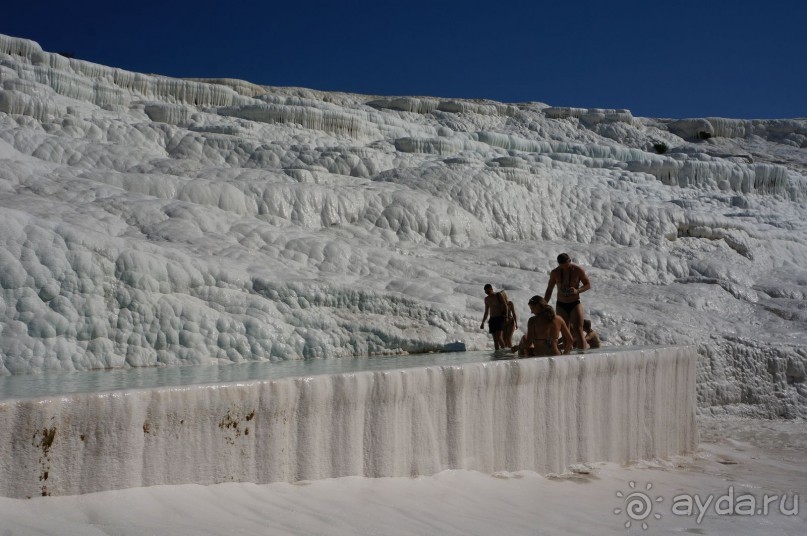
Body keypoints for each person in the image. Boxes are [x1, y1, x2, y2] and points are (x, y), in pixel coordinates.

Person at [544, 253, 591, 351]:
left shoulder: (578, 271)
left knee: (578, 330)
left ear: (570, 261)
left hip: (575, 303)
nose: (565, 268)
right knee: (565, 331)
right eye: (562, 266)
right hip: (561, 304)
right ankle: (567, 355)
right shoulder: (555, 272)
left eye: (567, 265)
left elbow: (587, 285)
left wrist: (577, 290)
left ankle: (582, 355)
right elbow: (549, 290)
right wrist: (544, 304)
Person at [480, 284, 509, 350]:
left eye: (488, 292)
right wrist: (483, 322)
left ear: (491, 289)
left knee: (499, 337)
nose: (487, 294)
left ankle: (504, 352)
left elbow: (505, 306)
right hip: (492, 319)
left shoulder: (498, 295)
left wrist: (506, 317)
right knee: (495, 340)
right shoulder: (486, 299)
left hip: (499, 318)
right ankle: (497, 356)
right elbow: (486, 311)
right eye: (486, 292)